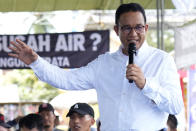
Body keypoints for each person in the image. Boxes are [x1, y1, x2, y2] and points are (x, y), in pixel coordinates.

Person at [8, 2, 184, 130]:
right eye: (126, 28)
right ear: (116, 30)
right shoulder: (104, 64)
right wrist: (36, 62)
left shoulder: (161, 60)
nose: (133, 34)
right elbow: (66, 79)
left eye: (138, 27)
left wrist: (146, 84)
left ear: (146, 28)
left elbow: (175, 106)